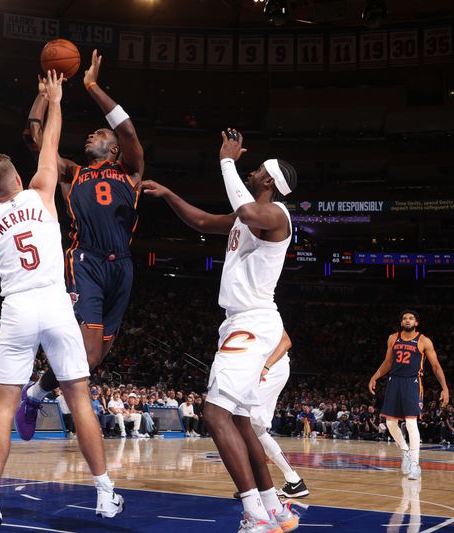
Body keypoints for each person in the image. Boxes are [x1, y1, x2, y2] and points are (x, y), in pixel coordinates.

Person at [0, 71, 123, 533]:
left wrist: (3, 253)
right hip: (56, 303)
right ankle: (103, 493)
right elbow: (51, 139)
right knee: (79, 399)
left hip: (16, 307)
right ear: (18, 177)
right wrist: (54, 99)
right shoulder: (40, 192)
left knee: (2, 409)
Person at [142, 129, 299, 532]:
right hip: (243, 322)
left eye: (257, 169)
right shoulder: (245, 215)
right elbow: (202, 221)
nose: (251, 169)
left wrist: (225, 161)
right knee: (242, 420)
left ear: (268, 181)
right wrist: (169, 194)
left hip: (250, 322)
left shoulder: (277, 215)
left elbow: (248, 213)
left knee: (214, 413)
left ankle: (253, 515)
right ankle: (274, 509)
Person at [17, 50, 146, 439]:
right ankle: (38, 389)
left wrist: (91, 85)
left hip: (121, 267)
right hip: (85, 260)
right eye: (92, 134)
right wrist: (43, 94)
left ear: (114, 149)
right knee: (86, 355)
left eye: (100, 135)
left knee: (93, 361)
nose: (92, 135)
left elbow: (127, 128)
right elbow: (34, 139)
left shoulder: (131, 171)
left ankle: (37, 392)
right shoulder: (72, 174)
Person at [368, 309, 450, 480]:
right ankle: (405, 452)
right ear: (401, 322)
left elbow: (435, 366)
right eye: (404, 318)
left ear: (416, 323)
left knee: (411, 423)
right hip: (394, 381)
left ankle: (415, 465)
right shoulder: (393, 338)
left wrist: (445, 388)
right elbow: (388, 362)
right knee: (390, 423)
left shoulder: (424, 341)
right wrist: (375, 376)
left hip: (412, 382)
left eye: (411, 318)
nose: (407, 320)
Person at [235, 331, 309, 499]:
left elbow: (286, 341)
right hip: (268, 369)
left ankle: (253, 485)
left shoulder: (261, 309)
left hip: (271, 369)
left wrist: (266, 367)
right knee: (256, 429)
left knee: (242, 420)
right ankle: (293, 481)